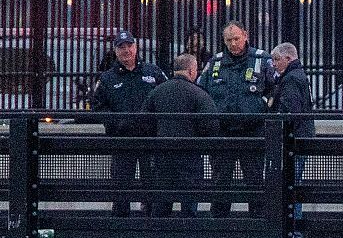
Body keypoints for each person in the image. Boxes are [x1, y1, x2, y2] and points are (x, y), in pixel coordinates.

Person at [199, 21, 276, 216]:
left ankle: (258, 222)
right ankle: (219, 223)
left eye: (236, 39)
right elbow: (201, 92)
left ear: (245, 36)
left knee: (255, 180)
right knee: (220, 181)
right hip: (222, 132)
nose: (233, 44)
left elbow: (276, 89)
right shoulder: (214, 62)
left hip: (253, 130)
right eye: (228, 40)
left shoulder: (261, 59)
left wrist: (263, 107)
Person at [88, 30, 167, 216]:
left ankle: (151, 220)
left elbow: (167, 95)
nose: (126, 50)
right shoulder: (107, 78)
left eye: (129, 46)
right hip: (121, 140)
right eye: (121, 47)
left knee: (152, 183)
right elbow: (97, 106)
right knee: (121, 185)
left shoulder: (153, 72)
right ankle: (120, 222)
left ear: (136, 47)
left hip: (150, 140)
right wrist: (115, 122)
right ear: (115, 51)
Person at [142, 54, 219, 216]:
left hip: (162, 156)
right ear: (192, 70)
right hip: (190, 157)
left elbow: (145, 122)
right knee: (189, 207)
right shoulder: (199, 94)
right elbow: (211, 125)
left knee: (161, 207)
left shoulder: (157, 92)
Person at [269, 43, 314, 221]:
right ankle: (293, 226)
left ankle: (292, 226)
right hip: (302, 135)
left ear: (288, 58)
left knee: (290, 183)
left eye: (277, 59)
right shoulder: (299, 75)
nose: (274, 64)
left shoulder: (290, 79)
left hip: (294, 139)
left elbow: (290, 111)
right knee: (293, 182)